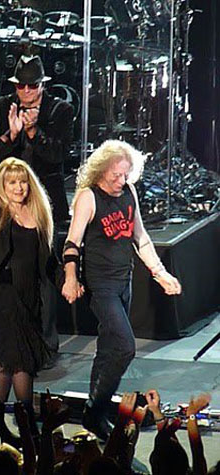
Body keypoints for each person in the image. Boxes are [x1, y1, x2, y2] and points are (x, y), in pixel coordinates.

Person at [61, 139, 182, 440]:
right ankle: (96, 408)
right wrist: (70, 278)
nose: (120, 180)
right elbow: (72, 243)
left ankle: (95, 414)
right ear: (101, 171)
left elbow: (140, 238)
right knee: (125, 346)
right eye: (115, 175)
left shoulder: (129, 192)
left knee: (108, 348)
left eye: (125, 174)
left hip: (123, 279)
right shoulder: (89, 197)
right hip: (99, 285)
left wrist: (160, 273)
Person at [0, 140, 62, 448]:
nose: (19, 187)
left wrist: (68, 280)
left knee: (9, 364)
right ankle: (27, 425)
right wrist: (1, 144)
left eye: (22, 181)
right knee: (18, 362)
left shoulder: (39, 215)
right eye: (12, 182)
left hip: (27, 298)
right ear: (2, 186)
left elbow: (47, 263)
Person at [0, 55, 74, 355]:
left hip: (45, 205)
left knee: (45, 274)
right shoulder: (1, 108)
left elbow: (60, 155)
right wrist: (11, 134)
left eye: (31, 86)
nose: (25, 92)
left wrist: (35, 132)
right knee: (10, 272)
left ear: (42, 85)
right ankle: (14, 338)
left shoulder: (60, 110)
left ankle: (46, 344)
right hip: (10, 206)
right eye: (21, 86)